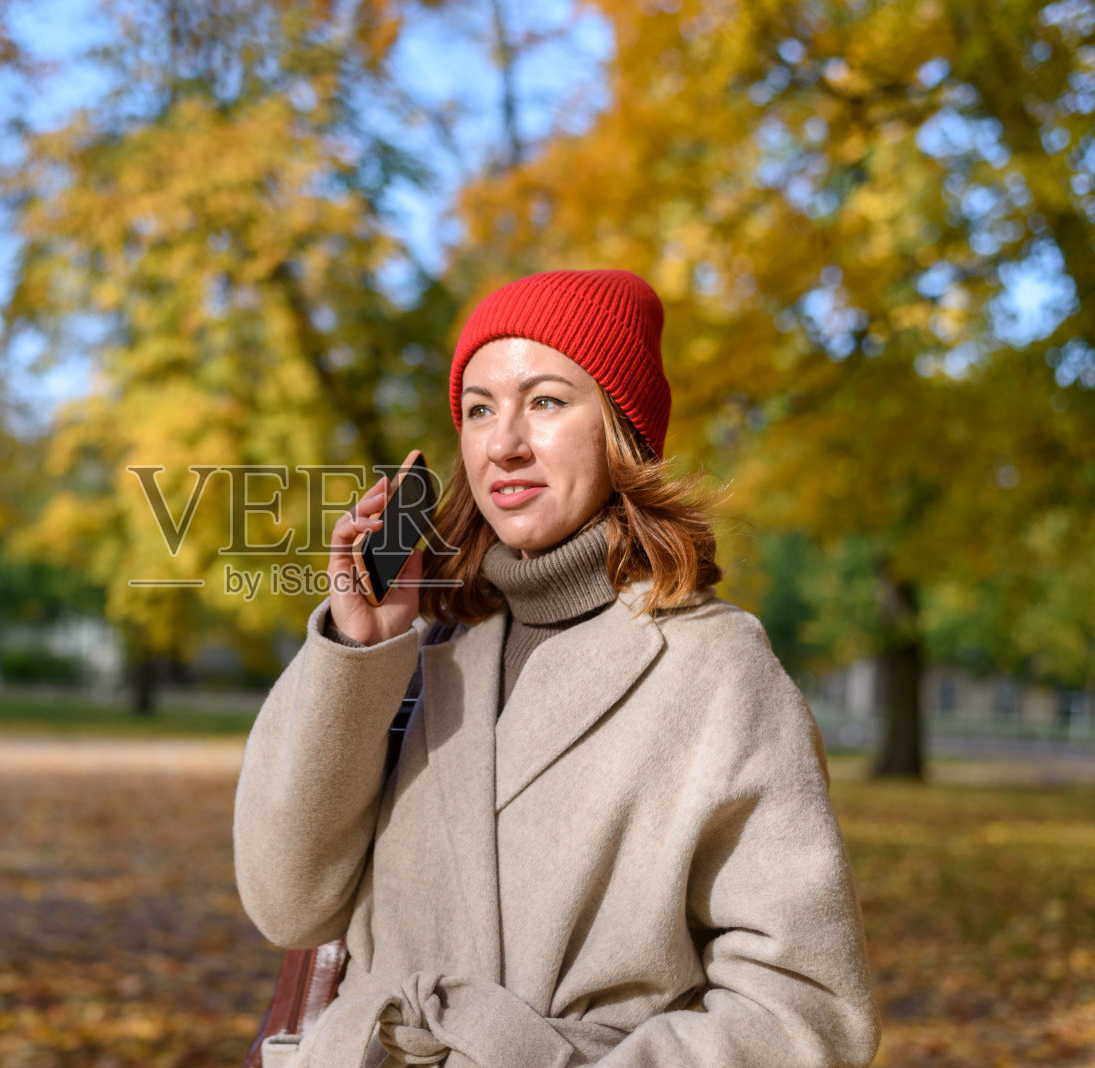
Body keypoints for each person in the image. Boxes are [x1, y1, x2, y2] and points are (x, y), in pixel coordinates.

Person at [234, 270, 880, 1067]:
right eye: (478, 409)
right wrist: (358, 653)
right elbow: (287, 907)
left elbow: (804, 1009)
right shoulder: (419, 647)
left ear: (620, 430)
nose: (503, 442)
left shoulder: (715, 668)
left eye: (545, 401)